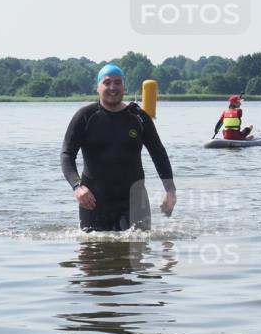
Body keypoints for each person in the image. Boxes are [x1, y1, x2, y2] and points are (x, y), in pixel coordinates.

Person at [61, 63, 176, 231]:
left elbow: (158, 153)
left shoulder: (139, 117)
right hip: (93, 201)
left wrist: (170, 191)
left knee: (139, 249)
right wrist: (77, 187)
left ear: (124, 86)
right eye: (107, 82)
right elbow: (66, 155)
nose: (112, 87)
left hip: (135, 200)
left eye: (117, 82)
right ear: (98, 87)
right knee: (90, 253)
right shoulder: (85, 116)